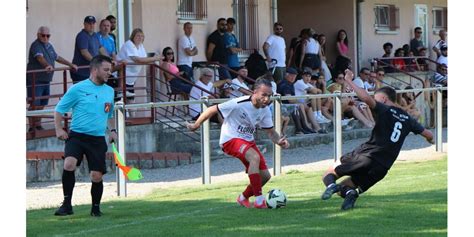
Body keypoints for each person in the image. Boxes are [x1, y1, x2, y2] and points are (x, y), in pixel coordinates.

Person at [320, 69, 434, 211]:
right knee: (347, 186)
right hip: (383, 167)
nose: (374, 101)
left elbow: (366, 99)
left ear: (384, 99)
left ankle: (331, 186)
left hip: (367, 155)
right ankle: (350, 195)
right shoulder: (408, 119)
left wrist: (349, 80)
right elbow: (428, 134)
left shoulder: (385, 110)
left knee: (328, 174)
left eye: (377, 98)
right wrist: (431, 141)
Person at [187, 78, 290, 209]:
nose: (267, 99)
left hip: (247, 141)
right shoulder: (239, 102)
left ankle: (242, 198)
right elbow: (212, 109)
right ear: (255, 92)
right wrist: (195, 125)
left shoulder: (265, 110)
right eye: (264, 95)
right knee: (254, 157)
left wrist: (279, 141)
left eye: (269, 96)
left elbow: (270, 132)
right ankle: (259, 201)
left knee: (265, 176)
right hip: (229, 139)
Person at [53, 55, 117, 217]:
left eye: (110, 70)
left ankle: (95, 209)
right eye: (106, 70)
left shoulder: (109, 91)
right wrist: (59, 129)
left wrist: (113, 131)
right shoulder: (78, 89)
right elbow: (59, 109)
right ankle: (67, 205)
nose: (109, 73)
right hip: (77, 136)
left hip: (96, 140)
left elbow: (109, 114)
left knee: (96, 176)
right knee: (69, 164)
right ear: (95, 70)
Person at [27, 26, 78, 132]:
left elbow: (57, 57)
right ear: (38, 35)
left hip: (46, 80)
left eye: (48, 36)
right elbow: (39, 57)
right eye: (43, 35)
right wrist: (46, 65)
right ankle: (32, 127)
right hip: (35, 80)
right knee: (34, 103)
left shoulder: (49, 45)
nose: (45, 37)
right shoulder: (36, 45)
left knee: (42, 103)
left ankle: (38, 124)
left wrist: (70, 64)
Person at [116, 28, 161, 98]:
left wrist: (153, 59)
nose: (140, 38)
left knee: (130, 101)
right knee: (120, 102)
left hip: (131, 79)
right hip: (121, 78)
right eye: (138, 36)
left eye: (142, 36)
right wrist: (155, 58)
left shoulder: (140, 46)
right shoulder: (129, 44)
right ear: (133, 36)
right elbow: (138, 60)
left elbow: (144, 59)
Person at [70, 16, 108, 83]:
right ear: (84, 24)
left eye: (93, 23)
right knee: (82, 92)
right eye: (89, 23)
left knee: (92, 91)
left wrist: (109, 59)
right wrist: (96, 62)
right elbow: (84, 53)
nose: (92, 25)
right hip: (80, 72)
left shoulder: (95, 35)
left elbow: (101, 48)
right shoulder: (82, 36)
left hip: (91, 72)